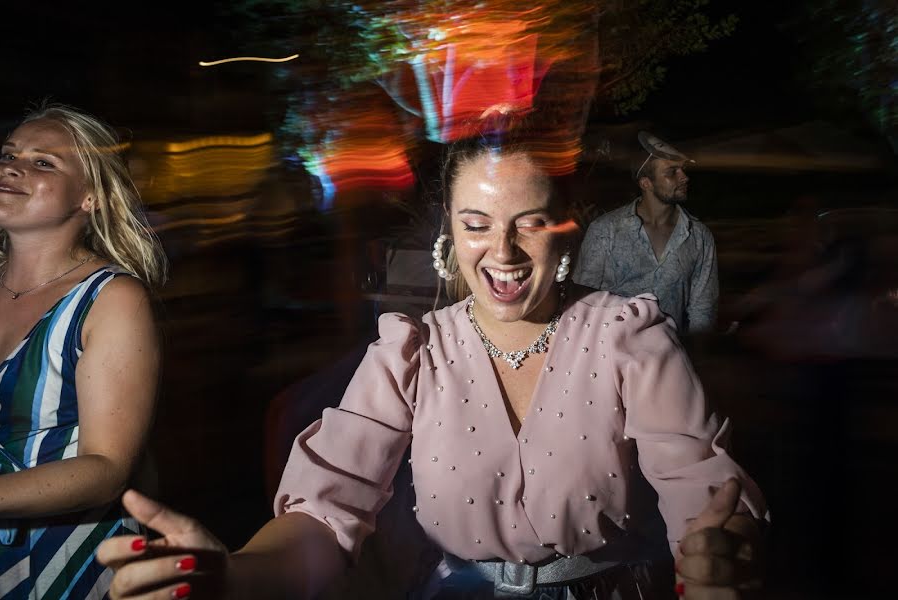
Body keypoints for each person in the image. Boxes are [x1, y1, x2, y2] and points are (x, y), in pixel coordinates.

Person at [97, 127, 766, 600]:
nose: (500, 250)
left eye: (528, 221)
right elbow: (325, 515)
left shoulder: (629, 336)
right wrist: (237, 575)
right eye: (476, 223)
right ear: (449, 228)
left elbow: (705, 499)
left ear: (568, 224)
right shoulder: (409, 352)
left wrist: (717, 557)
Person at [0, 103, 166, 598]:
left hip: (59, 562)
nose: (10, 166)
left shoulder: (111, 300)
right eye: (8, 154)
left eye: (43, 162)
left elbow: (105, 469)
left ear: (90, 196)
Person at [574, 132, 718, 334]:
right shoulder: (605, 230)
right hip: (613, 353)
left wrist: (694, 356)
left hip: (670, 356)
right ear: (646, 183)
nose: (684, 177)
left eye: (682, 170)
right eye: (672, 172)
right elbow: (582, 299)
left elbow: (702, 311)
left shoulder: (699, 237)